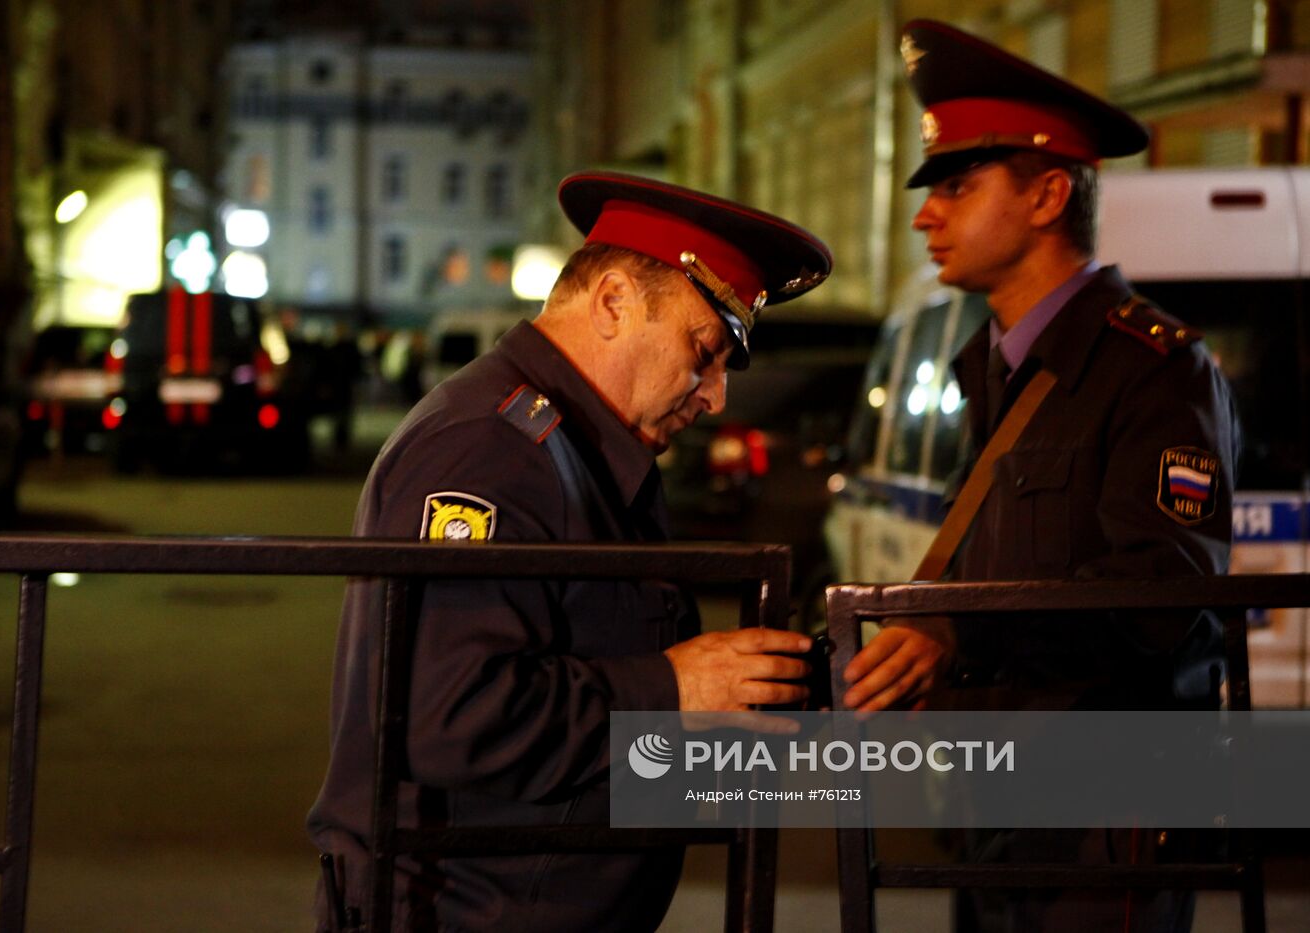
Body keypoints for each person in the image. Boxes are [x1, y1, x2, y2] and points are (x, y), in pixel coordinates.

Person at [307, 170, 832, 931]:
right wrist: (670, 691)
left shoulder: (586, 447)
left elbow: (622, 667)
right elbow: (450, 715)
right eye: (704, 350)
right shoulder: (489, 449)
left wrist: (818, 689)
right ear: (614, 302)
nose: (715, 395)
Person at [838, 19, 1241, 932]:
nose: (924, 215)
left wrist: (959, 640)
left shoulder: (1155, 367)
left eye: (958, 186)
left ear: (1048, 193)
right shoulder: (995, 363)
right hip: (999, 790)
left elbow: (1160, 589)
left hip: (1106, 802)